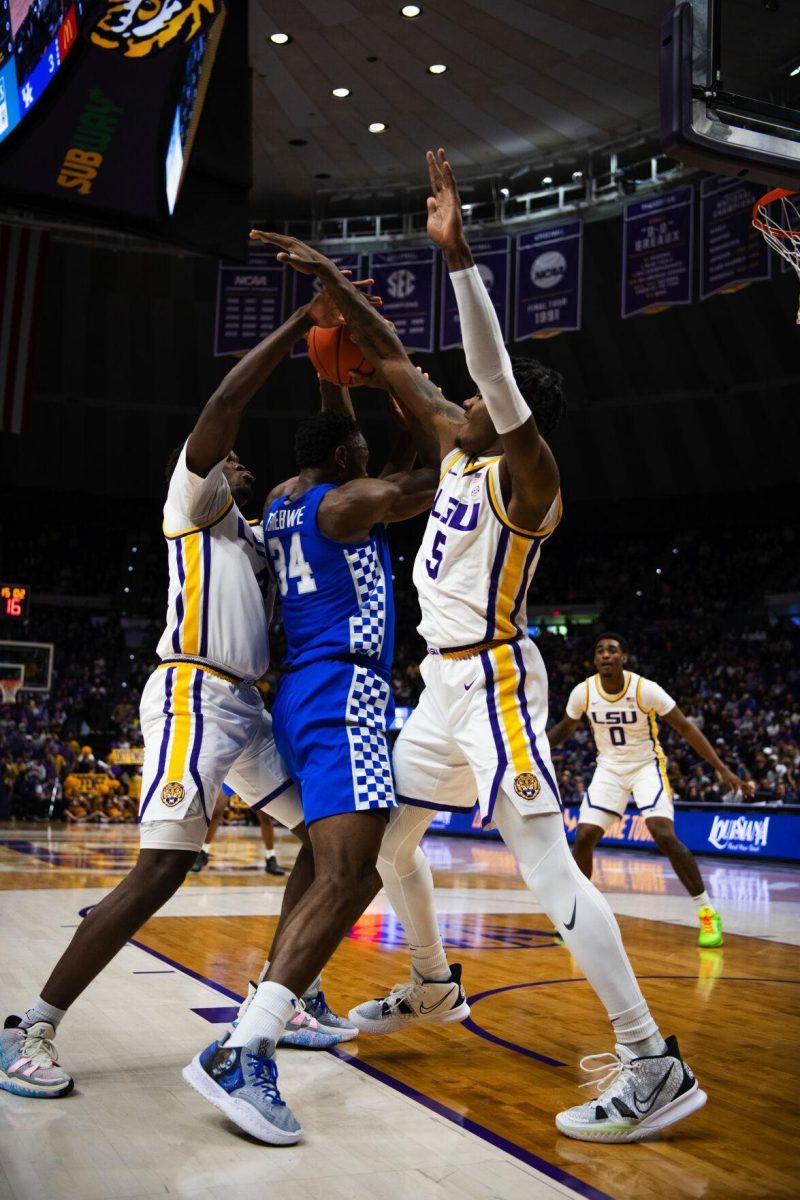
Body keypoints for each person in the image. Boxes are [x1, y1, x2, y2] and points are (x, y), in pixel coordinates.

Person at [273, 149, 707, 1144]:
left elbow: (488, 374)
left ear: (509, 421)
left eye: (471, 405)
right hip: (436, 690)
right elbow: (389, 361)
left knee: (551, 875)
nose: (451, 405)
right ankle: (430, 985)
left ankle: (650, 1061)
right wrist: (334, 284)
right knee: (384, 847)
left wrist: (459, 256)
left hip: (499, 681)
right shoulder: (459, 447)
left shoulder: (528, 476)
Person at [0, 284, 372, 1104]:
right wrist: (299, 327)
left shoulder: (253, 533)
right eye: (230, 456)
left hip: (248, 709)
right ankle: (30, 1025)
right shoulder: (194, 502)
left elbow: (328, 455)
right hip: (191, 696)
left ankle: (289, 995)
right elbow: (226, 399)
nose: (238, 459)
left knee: (327, 841)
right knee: (164, 867)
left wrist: (331, 374)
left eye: (243, 461)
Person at [182, 296, 439, 1143]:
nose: (360, 441)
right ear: (344, 462)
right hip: (344, 693)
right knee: (350, 875)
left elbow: (366, 449)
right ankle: (244, 1048)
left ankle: (275, 1008)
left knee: (336, 866)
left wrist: (340, 375)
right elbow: (435, 473)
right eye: (354, 445)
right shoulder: (343, 504)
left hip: (303, 692)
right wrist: (410, 389)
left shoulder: (297, 494)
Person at [547, 632, 755, 948]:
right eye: (600, 650)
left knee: (663, 834)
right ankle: (578, 916)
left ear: (623, 658)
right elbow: (565, 727)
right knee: (585, 836)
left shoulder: (645, 689)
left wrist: (723, 770)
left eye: (612, 650)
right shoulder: (583, 692)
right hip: (609, 770)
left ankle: (707, 913)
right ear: (595, 660)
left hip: (646, 767)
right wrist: (534, 749)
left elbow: (685, 727)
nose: (606, 655)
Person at [190, 785, 286, 875]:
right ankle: (203, 852)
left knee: (265, 815)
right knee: (216, 810)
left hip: (251, 774)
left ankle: (271, 858)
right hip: (231, 772)